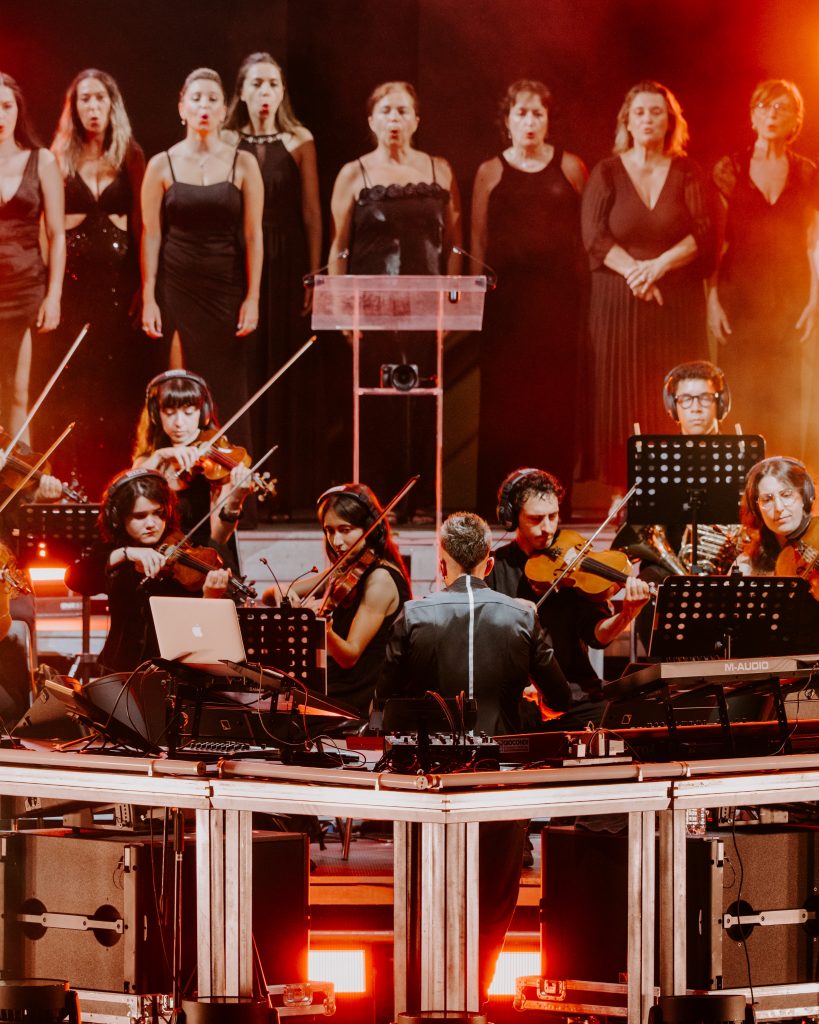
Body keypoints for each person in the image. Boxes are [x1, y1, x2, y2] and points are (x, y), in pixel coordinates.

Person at [378, 511, 570, 1005]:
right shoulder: (523, 614)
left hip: (428, 782)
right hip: (499, 782)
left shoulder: (413, 615)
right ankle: (476, 997)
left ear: (441, 564)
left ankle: (424, 1002)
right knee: (491, 901)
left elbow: (384, 704)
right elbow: (560, 700)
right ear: (488, 563)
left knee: (428, 895)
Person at [327, 81, 462, 515]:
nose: (394, 119)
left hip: (426, 307)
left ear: (416, 120)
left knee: (424, 403)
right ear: (371, 120)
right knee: (377, 404)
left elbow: (454, 245)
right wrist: (341, 308)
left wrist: (452, 305)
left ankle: (421, 499)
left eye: (403, 111)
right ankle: (376, 500)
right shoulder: (354, 173)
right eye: (385, 111)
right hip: (374, 308)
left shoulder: (439, 169)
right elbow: (339, 247)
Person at [581, 80, 717, 491]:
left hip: (674, 300)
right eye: (639, 112)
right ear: (627, 120)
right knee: (619, 393)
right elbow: (594, 236)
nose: (647, 119)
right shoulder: (606, 171)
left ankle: (676, 487)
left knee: (675, 389)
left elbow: (705, 232)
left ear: (669, 121)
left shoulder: (688, 171)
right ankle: (621, 492)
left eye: (656, 112)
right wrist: (635, 273)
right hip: (617, 301)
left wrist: (657, 267)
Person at [471, 79, 587, 516]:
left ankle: (553, 503)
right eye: (521, 112)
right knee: (505, 404)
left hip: (558, 302)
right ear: (507, 120)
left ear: (548, 119)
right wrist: (473, 302)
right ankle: (502, 504)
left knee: (554, 402)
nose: (530, 121)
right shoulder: (490, 171)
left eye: (538, 113)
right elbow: (477, 241)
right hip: (506, 303)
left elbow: (585, 239)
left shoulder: (571, 166)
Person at [33, 69, 148, 497]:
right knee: (73, 382)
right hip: (73, 287)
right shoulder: (58, 156)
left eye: (101, 98)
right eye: (85, 99)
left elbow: (143, 226)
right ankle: (71, 480)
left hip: (118, 289)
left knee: (112, 385)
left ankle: (113, 482)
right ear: (74, 107)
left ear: (112, 104)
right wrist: (49, 290)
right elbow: (47, 229)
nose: (93, 106)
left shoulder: (130, 154)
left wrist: (145, 286)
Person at [141, 68, 263, 450]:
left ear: (224, 110)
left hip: (226, 288)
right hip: (177, 286)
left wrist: (253, 297)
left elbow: (253, 235)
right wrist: (148, 296)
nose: (204, 106)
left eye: (213, 99)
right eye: (196, 98)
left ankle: (231, 479)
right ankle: (173, 478)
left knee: (227, 387)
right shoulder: (161, 164)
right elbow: (151, 234)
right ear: (182, 107)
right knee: (178, 387)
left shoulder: (243, 163)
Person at [225, 53, 321, 517]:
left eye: (273, 84)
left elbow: (311, 212)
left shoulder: (300, 139)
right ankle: (241, 487)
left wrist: (314, 274)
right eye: (257, 84)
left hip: (286, 261)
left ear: (283, 91)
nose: (265, 92)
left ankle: (284, 491)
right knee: (245, 368)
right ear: (241, 91)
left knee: (284, 370)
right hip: (240, 260)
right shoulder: (227, 140)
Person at [709, 79, 819, 460]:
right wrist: (712, 299)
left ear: (795, 120)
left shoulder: (807, 172)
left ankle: (784, 480)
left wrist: (815, 298)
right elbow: (718, 242)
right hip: (739, 292)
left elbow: (814, 240)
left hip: (791, 292)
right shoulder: (729, 169)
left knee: (786, 389)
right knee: (741, 386)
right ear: (752, 116)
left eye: (781, 108)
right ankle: (739, 482)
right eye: (763, 107)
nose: (771, 114)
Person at [488, 468, 651, 717]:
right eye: (536, 519)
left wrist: (627, 614)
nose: (548, 528)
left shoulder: (574, 563)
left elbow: (598, 637)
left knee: (628, 718)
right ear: (511, 518)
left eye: (553, 516)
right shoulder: (494, 568)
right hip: (517, 696)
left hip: (575, 693)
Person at [263, 483, 411, 720]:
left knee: (275, 715)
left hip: (356, 698)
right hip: (333, 686)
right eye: (329, 531)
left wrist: (324, 628)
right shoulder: (344, 570)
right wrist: (283, 595)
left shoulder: (381, 580)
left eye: (345, 529)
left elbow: (349, 656)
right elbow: (270, 594)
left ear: (369, 528)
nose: (336, 541)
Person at [66, 468, 230, 674]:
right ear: (118, 517)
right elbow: (75, 578)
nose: (151, 524)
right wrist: (125, 553)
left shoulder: (183, 550)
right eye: (140, 516)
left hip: (172, 672)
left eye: (158, 513)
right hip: (119, 670)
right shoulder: (115, 550)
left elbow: (199, 632)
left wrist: (210, 597)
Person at [132, 370, 253, 570]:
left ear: (203, 413)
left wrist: (234, 501)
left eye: (188, 412)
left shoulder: (215, 464)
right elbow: (130, 495)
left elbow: (218, 538)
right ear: (155, 414)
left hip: (204, 563)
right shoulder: (149, 460)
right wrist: (160, 456)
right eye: (169, 413)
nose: (179, 423)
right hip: (157, 562)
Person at [0, 72, 65, 438]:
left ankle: (16, 473)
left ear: (18, 109)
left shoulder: (42, 161)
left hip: (25, 288)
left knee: (17, 392)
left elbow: (56, 234)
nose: (0, 116)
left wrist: (54, 296)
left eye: (6, 106)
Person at [734, 455, 819, 648]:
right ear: (757, 508)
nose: (779, 508)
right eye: (767, 499)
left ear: (804, 497)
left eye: (787, 495)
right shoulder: (748, 564)